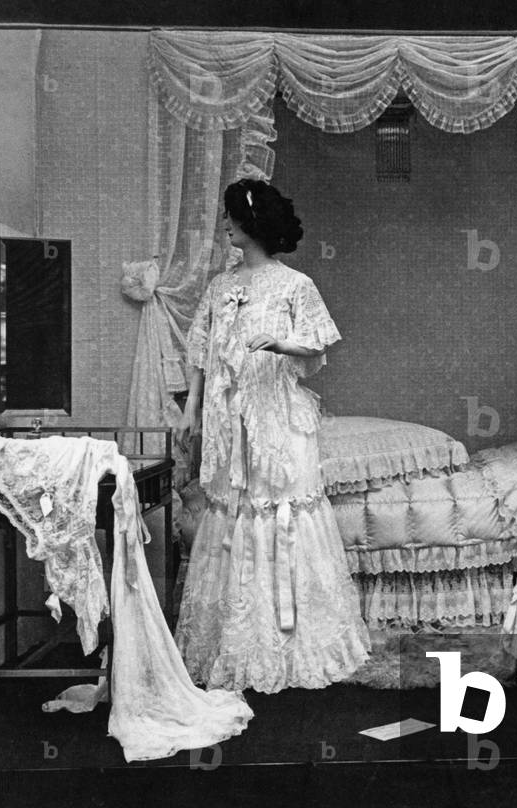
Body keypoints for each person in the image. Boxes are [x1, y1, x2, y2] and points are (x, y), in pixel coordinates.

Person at [175, 179, 370, 693]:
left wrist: (282, 343)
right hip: (229, 418)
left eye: (230, 216)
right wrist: (192, 408)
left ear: (250, 223)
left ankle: (288, 645)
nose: (224, 224)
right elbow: (200, 348)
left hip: (278, 419)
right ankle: (233, 644)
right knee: (232, 514)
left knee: (277, 508)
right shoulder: (220, 286)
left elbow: (318, 351)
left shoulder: (295, 285)